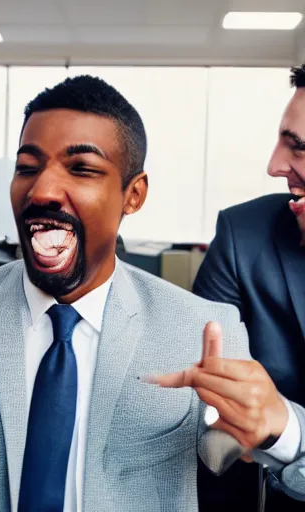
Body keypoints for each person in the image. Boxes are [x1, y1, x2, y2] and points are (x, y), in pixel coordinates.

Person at [0, 76, 303, 511]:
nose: (43, 190)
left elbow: (227, 457)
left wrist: (280, 433)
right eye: (28, 168)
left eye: (82, 169)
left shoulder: (200, 331)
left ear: (133, 195)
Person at [193, 64, 305, 511]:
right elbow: (203, 407)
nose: (275, 165)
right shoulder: (245, 234)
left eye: (299, 148)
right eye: (283, 138)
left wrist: (285, 433)